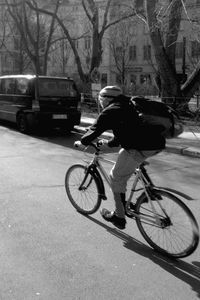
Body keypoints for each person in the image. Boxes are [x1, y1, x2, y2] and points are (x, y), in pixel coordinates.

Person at [76, 86, 165, 229]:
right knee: (125, 155)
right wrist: (109, 143)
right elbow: (126, 131)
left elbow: (94, 130)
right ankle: (148, 190)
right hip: (156, 143)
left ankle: (119, 216)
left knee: (116, 177)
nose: (100, 102)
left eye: (100, 99)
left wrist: (82, 142)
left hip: (139, 146)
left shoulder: (111, 110)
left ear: (105, 99)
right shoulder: (128, 104)